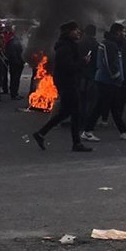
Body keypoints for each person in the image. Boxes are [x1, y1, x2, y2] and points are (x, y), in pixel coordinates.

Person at [32, 21, 93, 153]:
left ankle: (41, 133)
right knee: (74, 112)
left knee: (65, 112)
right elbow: (69, 67)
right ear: (68, 32)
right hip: (68, 83)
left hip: (68, 82)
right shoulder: (65, 48)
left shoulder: (68, 46)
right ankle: (76, 143)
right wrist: (83, 62)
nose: (78, 32)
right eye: (75, 30)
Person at [89, 22, 126, 141]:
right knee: (103, 107)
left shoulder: (112, 44)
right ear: (117, 32)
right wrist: (116, 76)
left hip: (109, 81)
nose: (124, 34)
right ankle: (88, 131)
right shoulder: (109, 45)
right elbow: (108, 62)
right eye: (123, 32)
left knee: (111, 108)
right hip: (107, 81)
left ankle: (124, 132)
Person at [5, 27, 26, 100]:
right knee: (14, 79)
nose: (21, 34)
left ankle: (15, 93)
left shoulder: (19, 41)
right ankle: (14, 94)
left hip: (19, 63)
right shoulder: (13, 42)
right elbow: (12, 54)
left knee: (16, 79)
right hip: (15, 64)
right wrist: (18, 62)